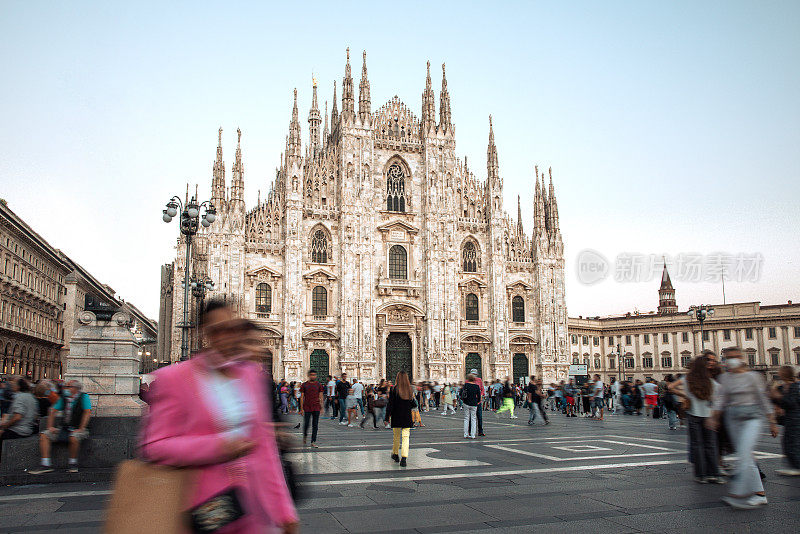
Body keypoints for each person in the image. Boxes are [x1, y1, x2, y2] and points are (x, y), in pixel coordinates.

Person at [139, 299, 298, 532]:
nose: (228, 337)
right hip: (209, 509)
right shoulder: (174, 378)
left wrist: (285, 512)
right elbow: (154, 446)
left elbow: (266, 451)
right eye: (218, 330)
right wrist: (219, 446)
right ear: (206, 333)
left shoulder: (251, 377)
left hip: (256, 508)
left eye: (232, 329)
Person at [707, 347, 778, 509]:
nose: (731, 359)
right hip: (734, 419)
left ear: (742, 357)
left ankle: (737, 494)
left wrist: (772, 421)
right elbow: (721, 400)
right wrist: (714, 417)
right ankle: (760, 494)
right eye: (728, 357)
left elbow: (763, 399)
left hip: (752, 418)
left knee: (745, 455)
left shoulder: (753, 377)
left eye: (735, 356)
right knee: (746, 456)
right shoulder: (725, 379)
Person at [670, 356, 722, 483]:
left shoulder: (688, 379)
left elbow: (671, 386)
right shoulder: (710, 381)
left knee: (697, 445)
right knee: (710, 445)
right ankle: (714, 473)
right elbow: (718, 398)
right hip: (708, 416)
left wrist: (685, 395)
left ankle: (701, 475)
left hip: (693, 415)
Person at [29, 379, 91, 474]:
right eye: (66, 386)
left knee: (74, 437)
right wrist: (50, 427)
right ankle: (45, 464)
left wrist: (81, 428)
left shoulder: (84, 397)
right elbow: (52, 410)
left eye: (68, 386)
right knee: (44, 435)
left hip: (78, 428)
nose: (65, 388)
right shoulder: (64, 398)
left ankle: (72, 463)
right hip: (64, 428)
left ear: (75, 388)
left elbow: (87, 412)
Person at [771, 365, 800, 476]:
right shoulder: (784, 387)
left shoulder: (795, 386)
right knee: (788, 442)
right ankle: (793, 465)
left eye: (780, 372)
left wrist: (778, 397)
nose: (778, 373)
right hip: (789, 418)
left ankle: (797, 467)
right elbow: (779, 402)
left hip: (796, 418)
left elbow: (792, 402)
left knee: (794, 442)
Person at [385, 371, 414, 466]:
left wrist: (387, 417)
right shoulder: (410, 390)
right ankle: (404, 458)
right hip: (407, 416)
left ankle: (396, 454)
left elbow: (390, 404)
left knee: (396, 436)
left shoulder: (394, 389)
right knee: (406, 437)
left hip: (396, 416)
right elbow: (413, 404)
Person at [0, 378, 38, 448]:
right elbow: (35, 416)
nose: (11, 386)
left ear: (19, 386)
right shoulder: (31, 397)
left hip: (18, 430)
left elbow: (17, 417)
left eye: (14, 384)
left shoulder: (19, 397)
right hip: (29, 429)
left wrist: (5, 425)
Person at [299, 369, 324, 447]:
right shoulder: (304, 385)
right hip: (307, 406)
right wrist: (301, 408)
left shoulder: (319, 385)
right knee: (306, 424)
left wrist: (322, 407)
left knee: (315, 425)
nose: (313, 376)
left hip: (316, 406)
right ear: (309, 375)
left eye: (314, 375)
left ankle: (313, 441)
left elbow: (321, 396)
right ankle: (305, 435)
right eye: (311, 375)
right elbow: (302, 397)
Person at [461, 374, 481, 438]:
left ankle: (465, 434)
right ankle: (473, 435)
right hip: (474, 404)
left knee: (466, 418)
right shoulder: (476, 386)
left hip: (466, 403)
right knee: (473, 419)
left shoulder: (465, 385)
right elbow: (479, 396)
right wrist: (477, 402)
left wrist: (464, 401)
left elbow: (462, 393)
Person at [470, 370, 486, 436]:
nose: (474, 375)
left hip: (478, 400)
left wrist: (481, 395)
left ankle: (480, 431)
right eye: (473, 374)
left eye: (475, 374)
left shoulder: (479, 380)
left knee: (479, 416)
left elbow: (482, 389)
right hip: (471, 400)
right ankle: (470, 430)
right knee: (471, 417)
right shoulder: (468, 381)